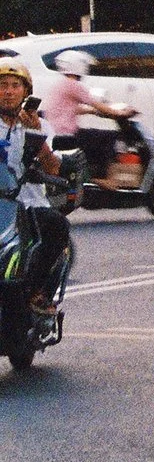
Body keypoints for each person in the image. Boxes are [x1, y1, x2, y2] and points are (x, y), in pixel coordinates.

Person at [0, 59, 69, 315]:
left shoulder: (39, 125)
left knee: (57, 226)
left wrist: (36, 135)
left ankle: (36, 291)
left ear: (25, 92)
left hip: (28, 205)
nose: (8, 91)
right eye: (2, 85)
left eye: (14, 85)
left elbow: (53, 168)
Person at [41, 50, 135, 185]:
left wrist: (92, 111)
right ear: (78, 65)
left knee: (93, 135)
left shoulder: (61, 84)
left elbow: (71, 108)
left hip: (56, 133)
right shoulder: (73, 85)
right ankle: (103, 179)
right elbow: (98, 104)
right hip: (67, 134)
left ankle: (92, 174)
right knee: (110, 137)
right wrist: (120, 113)